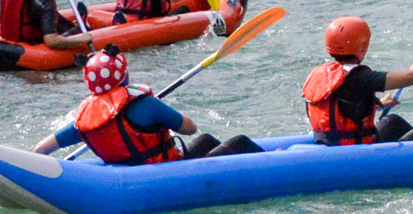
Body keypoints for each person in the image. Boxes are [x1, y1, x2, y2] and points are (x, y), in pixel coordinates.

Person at [33, 44, 262, 162]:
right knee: (240, 141)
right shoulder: (146, 105)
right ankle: (276, 163)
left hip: (127, 171)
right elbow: (189, 129)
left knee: (208, 141)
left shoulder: (84, 120)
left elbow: (41, 149)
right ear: (123, 75)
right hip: (165, 171)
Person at [303, 16, 413, 146]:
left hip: (333, 146)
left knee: (393, 121)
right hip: (356, 153)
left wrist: (377, 105)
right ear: (362, 46)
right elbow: (412, 76)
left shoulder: (321, 73)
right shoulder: (361, 76)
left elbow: (340, 104)